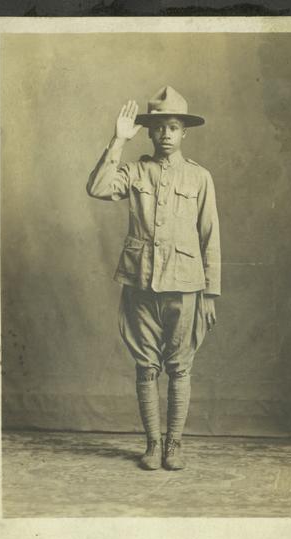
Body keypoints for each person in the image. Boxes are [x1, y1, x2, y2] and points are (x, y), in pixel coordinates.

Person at [86, 86, 221, 470]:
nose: (166, 135)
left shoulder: (200, 178)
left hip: (186, 284)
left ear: (184, 133)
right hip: (140, 281)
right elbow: (97, 188)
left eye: (174, 127)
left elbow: (210, 236)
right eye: (159, 127)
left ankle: (174, 445)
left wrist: (210, 294)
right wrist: (117, 139)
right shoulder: (135, 170)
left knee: (180, 366)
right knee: (146, 365)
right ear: (148, 132)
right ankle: (152, 444)